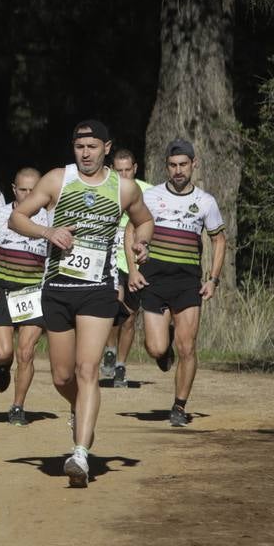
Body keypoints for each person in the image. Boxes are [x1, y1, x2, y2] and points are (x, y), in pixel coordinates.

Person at [10, 119, 154, 487]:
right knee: (62, 375)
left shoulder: (123, 188)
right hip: (57, 287)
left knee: (88, 369)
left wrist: (142, 243)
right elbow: (16, 217)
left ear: (107, 147)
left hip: (98, 289)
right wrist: (48, 231)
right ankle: (79, 409)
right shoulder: (58, 179)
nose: (85, 153)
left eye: (92, 146)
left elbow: (144, 220)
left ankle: (80, 455)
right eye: (79, 147)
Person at [127, 139, 227, 427]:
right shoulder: (152, 196)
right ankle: (164, 345)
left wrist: (214, 279)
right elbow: (131, 228)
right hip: (155, 280)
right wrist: (133, 270)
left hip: (187, 283)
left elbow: (219, 239)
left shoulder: (206, 202)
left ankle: (179, 406)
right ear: (166, 167)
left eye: (184, 165)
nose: (178, 170)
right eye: (173, 165)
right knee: (156, 348)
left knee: (188, 348)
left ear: (194, 164)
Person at [0, 168, 50, 425]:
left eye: (34, 190)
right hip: (2, 289)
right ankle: (1, 365)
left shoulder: (49, 217)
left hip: (33, 292)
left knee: (26, 352)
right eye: (23, 190)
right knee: (3, 352)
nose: (29, 195)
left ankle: (18, 406)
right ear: (13, 189)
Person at [102, 148, 151, 387]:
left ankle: (120, 365)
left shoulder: (147, 192)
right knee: (112, 308)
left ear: (135, 169)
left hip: (134, 262)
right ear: (112, 170)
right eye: (118, 171)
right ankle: (109, 349)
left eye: (127, 170)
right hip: (109, 261)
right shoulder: (105, 189)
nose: (123, 175)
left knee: (130, 318)